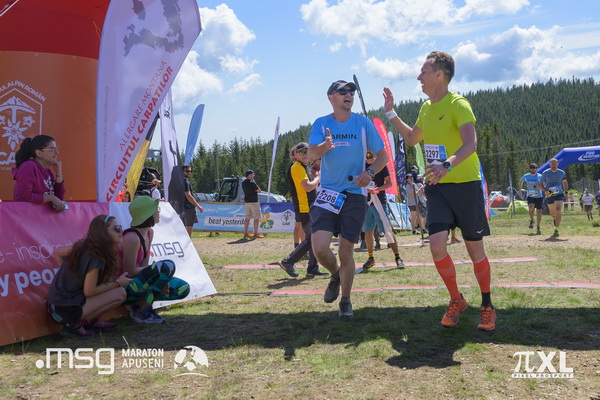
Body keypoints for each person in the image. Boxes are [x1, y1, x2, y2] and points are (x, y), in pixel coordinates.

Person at [383, 51, 495, 331]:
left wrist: (447, 164)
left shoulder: (459, 105)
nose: (418, 77)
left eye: (423, 72)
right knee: (436, 247)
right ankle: (456, 299)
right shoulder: (426, 108)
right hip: (437, 188)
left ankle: (487, 305)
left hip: (466, 186)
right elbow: (412, 138)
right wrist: (391, 113)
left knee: (475, 250)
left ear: (439, 75)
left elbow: (470, 144)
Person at [308, 79, 387, 318]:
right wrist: (324, 147)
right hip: (328, 192)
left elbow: (382, 156)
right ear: (331, 97)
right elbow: (311, 154)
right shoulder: (321, 123)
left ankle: (346, 300)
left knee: (345, 251)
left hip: (354, 194)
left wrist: (369, 173)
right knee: (320, 248)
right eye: (342, 91)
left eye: (351, 91)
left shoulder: (363, 123)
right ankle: (335, 275)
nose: (348, 94)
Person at [46, 215, 131, 339]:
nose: (121, 231)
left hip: (60, 304)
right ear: (103, 233)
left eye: (120, 227)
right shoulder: (96, 255)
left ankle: (89, 321)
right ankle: (73, 326)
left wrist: (70, 277)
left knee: (117, 291)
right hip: (63, 309)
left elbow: (57, 253)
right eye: (116, 228)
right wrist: (118, 282)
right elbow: (89, 291)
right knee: (120, 292)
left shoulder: (87, 246)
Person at [118, 196, 191, 323]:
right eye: (156, 209)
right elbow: (129, 272)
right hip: (123, 288)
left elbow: (144, 265)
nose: (159, 211)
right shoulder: (132, 238)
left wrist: (160, 280)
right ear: (148, 214)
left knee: (183, 288)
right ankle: (143, 309)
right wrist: (159, 273)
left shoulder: (149, 232)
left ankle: (139, 306)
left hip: (137, 283)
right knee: (167, 266)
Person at [278, 142, 328, 277]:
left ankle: (312, 268)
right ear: (295, 155)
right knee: (313, 238)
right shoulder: (297, 167)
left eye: (307, 152)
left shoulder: (303, 167)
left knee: (314, 238)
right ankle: (288, 261)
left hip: (309, 207)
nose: (305, 154)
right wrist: (318, 177)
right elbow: (308, 187)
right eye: (302, 152)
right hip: (305, 208)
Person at [361, 150, 404, 271]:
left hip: (379, 201)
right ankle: (370, 257)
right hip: (366, 202)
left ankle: (398, 257)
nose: (368, 152)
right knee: (367, 231)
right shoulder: (361, 166)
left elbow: (389, 183)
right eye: (366, 150)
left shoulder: (380, 165)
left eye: (370, 150)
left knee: (387, 229)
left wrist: (378, 189)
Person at [12, 135, 65, 211]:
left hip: (43, 217)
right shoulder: (29, 166)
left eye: (56, 149)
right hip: (27, 216)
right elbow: (22, 197)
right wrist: (50, 198)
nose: (57, 152)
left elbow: (59, 201)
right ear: (39, 153)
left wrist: (59, 174)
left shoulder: (48, 172)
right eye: (52, 149)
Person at [539, 158, 568, 238]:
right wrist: (546, 191)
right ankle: (555, 219)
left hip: (559, 194)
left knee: (558, 209)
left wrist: (566, 193)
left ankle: (556, 230)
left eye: (555, 163)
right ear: (550, 164)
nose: (554, 165)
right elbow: (541, 183)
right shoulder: (545, 173)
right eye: (552, 163)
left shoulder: (561, 173)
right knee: (552, 213)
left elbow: (565, 182)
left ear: (558, 164)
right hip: (549, 195)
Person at [518, 163, 543, 234]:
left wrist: (535, 187)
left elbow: (542, 188)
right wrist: (520, 190)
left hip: (539, 196)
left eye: (534, 167)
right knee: (531, 208)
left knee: (539, 211)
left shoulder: (539, 176)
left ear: (536, 169)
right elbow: (520, 182)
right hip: (530, 196)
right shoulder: (526, 176)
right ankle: (532, 220)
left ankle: (538, 226)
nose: (532, 169)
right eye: (531, 167)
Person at [181, 164, 204, 237]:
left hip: (181, 207)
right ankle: (188, 242)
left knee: (183, 227)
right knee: (189, 227)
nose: (189, 173)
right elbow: (188, 195)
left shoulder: (179, 181)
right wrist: (198, 206)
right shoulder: (185, 182)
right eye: (187, 171)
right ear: (182, 171)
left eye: (190, 171)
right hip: (188, 207)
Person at [242, 169, 264, 238]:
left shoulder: (243, 183)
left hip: (247, 202)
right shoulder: (252, 183)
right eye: (253, 174)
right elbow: (259, 191)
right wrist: (256, 184)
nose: (253, 175)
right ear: (250, 175)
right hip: (254, 202)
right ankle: (256, 233)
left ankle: (245, 232)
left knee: (247, 218)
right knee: (256, 218)